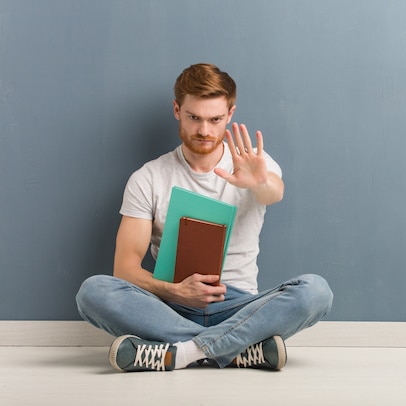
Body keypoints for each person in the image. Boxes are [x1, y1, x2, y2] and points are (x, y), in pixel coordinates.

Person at [75, 63, 333, 372]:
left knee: (315, 291)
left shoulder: (253, 163)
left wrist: (258, 182)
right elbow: (125, 269)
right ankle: (237, 351)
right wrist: (176, 291)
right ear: (176, 109)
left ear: (230, 114)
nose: (204, 130)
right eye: (194, 117)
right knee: (94, 291)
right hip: (170, 307)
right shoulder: (149, 177)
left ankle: (181, 353)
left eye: (215, 119)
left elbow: (273, 193)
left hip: (240, 307)